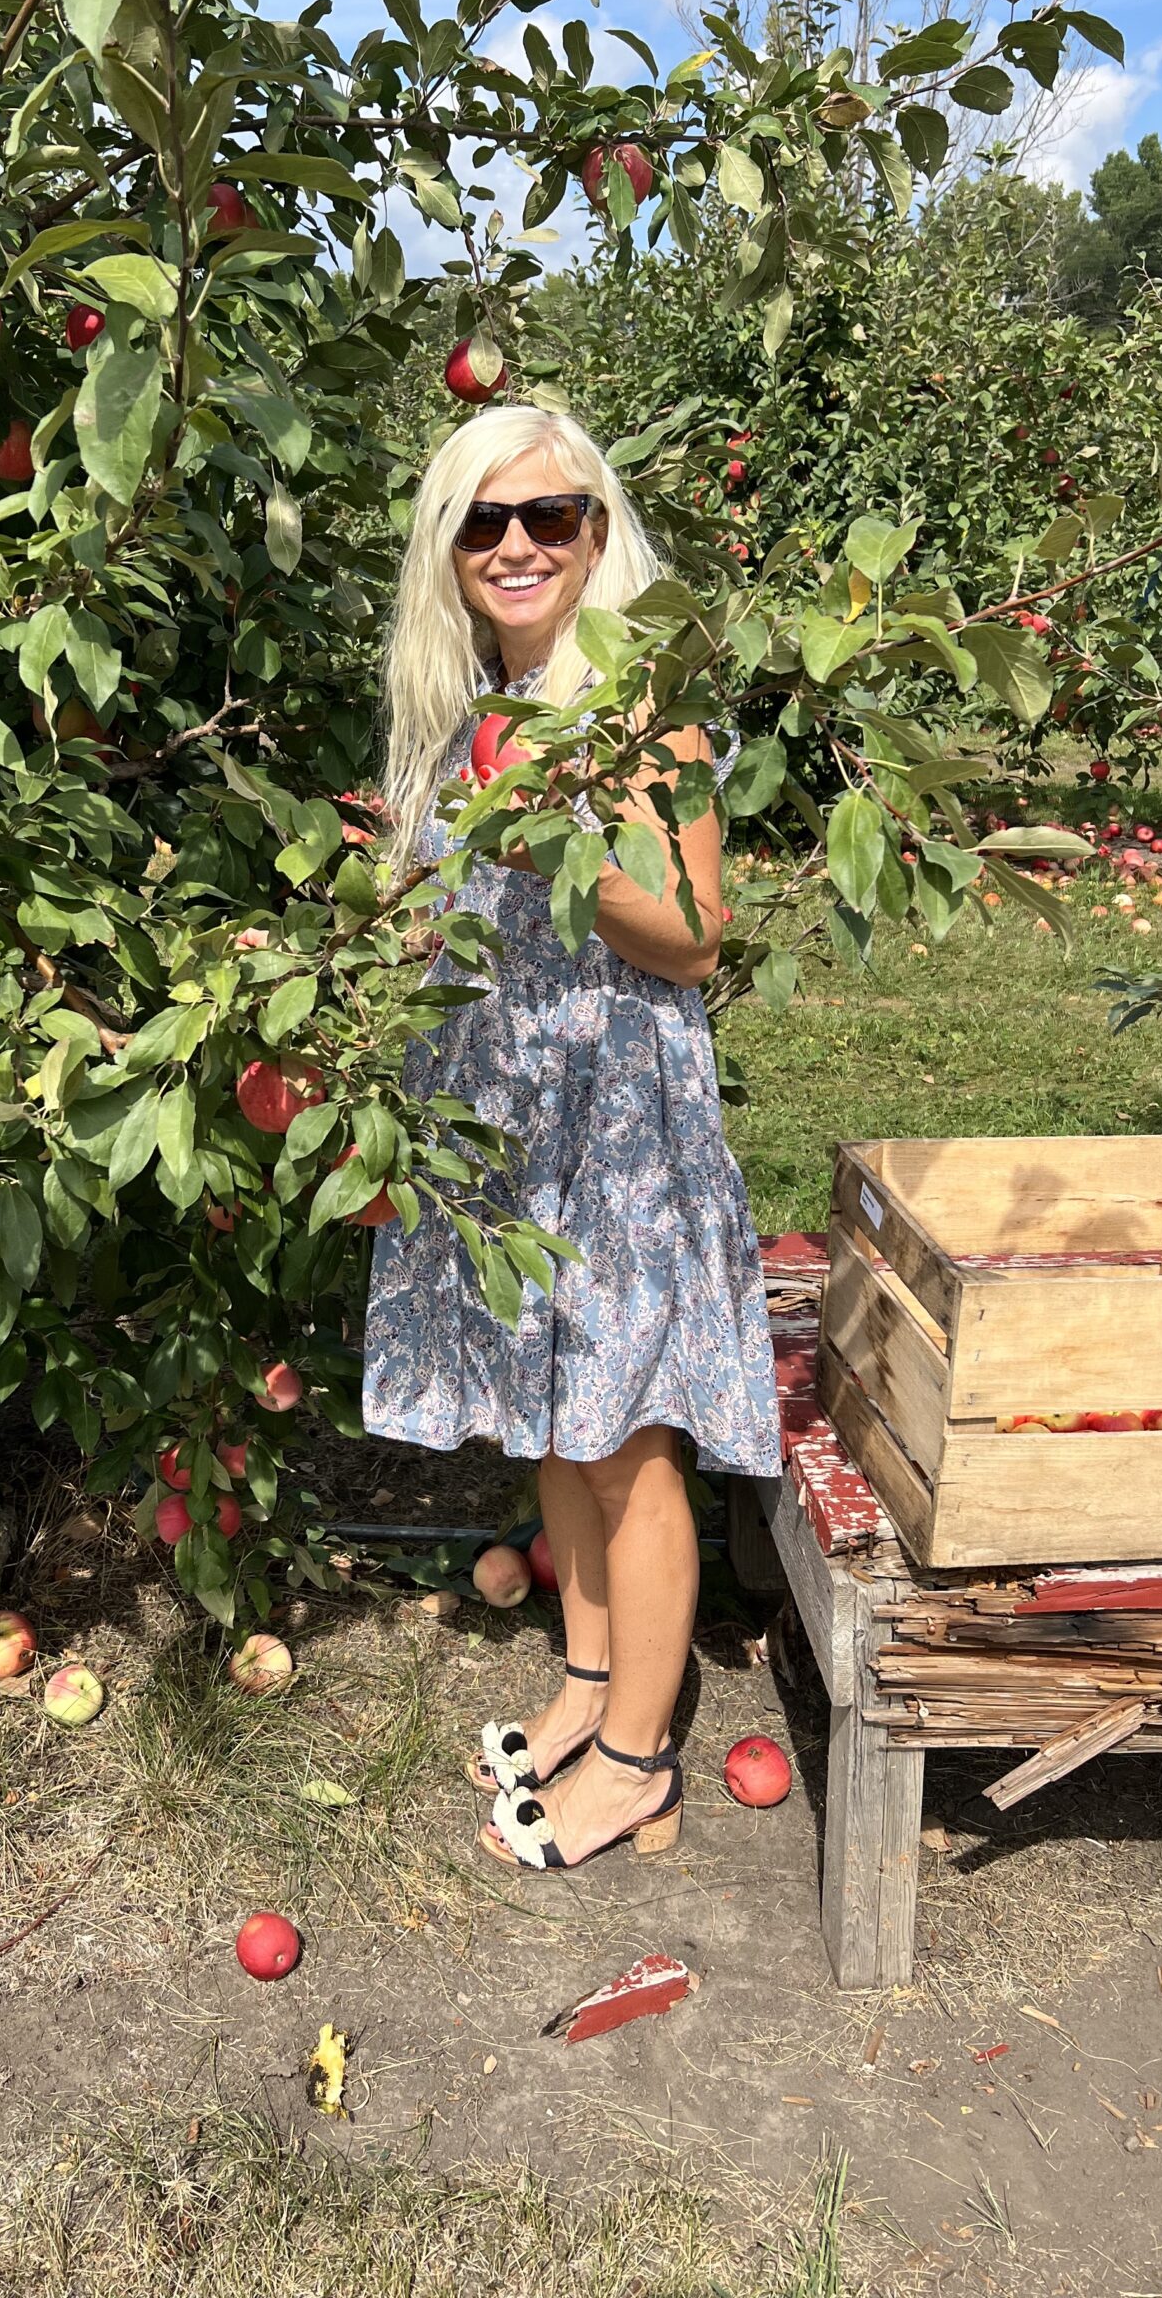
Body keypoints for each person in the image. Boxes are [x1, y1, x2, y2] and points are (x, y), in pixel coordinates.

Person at [363, 403, 781, 1874]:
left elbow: (691, 939)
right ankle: (591, 1682)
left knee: (624, 1442)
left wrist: (558, 838)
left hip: (611, 1122)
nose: (520, 543)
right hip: (500, 1119)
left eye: (551, 515)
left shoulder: (634, 713)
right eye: (485, 521)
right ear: (450, 552)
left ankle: (642, 1756)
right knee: (551, 1419)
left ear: (600, 535)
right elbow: (425, 931)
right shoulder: (458, 716)